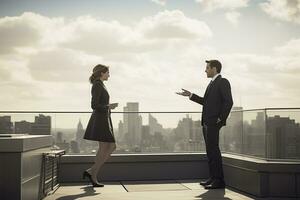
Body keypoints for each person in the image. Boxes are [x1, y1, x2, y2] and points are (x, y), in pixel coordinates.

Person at [176, 60, 233, 189]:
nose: (205, 70)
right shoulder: (211, 84)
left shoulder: (223, 82)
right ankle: (213, 178)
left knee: (214, 151)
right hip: (206, 123)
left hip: (213, 123)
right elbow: (205, 102)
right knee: (210, 152)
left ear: (214, 68)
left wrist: (220, 119)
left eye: (207, 68)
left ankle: (219, 180)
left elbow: (228, 102)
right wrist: (190, 95)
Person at [83, 64, 118, 187]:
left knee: (108, 147)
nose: (109, 75)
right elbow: (94, 105)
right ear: (102, 73)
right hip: (100, 120)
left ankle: (92, 173)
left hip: (104, 119)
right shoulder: (97, 85)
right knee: (110, 146)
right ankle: (93, 174)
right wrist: (108, 106)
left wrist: (108, 107)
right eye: (108, 72)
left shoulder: (100, 84)